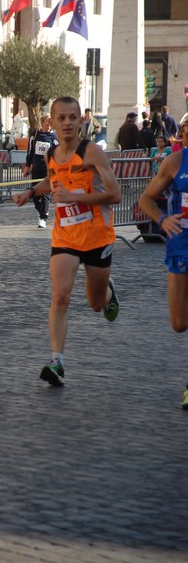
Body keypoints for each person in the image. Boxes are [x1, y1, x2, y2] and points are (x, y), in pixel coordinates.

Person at [13, 96, 121, 387]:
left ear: (81, 121)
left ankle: (108, 295)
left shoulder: (92, 154)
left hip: (97, 235)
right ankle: (57, 361)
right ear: (53, 121)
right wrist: (32, 192)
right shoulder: (51, 154)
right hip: (65, 236)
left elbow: (115, 194)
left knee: (96, 304)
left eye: (73, 117)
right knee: (60, 296)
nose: (67, 123)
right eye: (61, 118)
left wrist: (77, 197)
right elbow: (52, 180)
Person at [138, 119, 188, 409]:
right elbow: (145, 199)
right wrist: (162, 220)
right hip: (180, 243)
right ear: (182, 136)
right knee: (179, 323)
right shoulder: (174, 163)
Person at [23, 114, 58, 228]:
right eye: (47, 121)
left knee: (45, 195)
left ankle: (43, 217)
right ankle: (43, 211)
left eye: (51, 122)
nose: (49, 124)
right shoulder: (35, 134)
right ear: (42, 122)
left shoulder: (54, 137)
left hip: (48, 170)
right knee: (35, 194)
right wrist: (27, 166)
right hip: (36, 169)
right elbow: (30, 151)